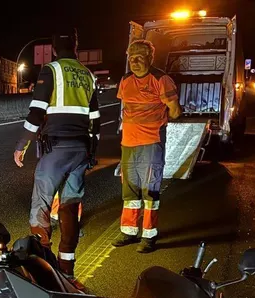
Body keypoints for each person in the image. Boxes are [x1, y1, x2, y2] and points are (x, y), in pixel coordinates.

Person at [13, 31, 100, 279]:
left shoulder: (51, 70)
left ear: (53, 49)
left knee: (40, 206)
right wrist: (91, 152)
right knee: (70, 207)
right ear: (75, 46)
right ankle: (67, 270)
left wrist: (22, 145)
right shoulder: (87, 74)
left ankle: (44, 270)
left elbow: (36, 113)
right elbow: (95, 118)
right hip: (81, 150)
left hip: (56, 149)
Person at [113, 40, 181, 253]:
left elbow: (175, 111)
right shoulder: (125, 80)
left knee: (150, 190)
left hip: (151, 144)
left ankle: (149, 236)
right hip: (128, 144)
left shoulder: (161, 80)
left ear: (150, 58)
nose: (134, 62)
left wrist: (158, 124)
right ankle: (129, 232)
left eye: (140, 57)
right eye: (131, 58)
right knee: (130, 190)